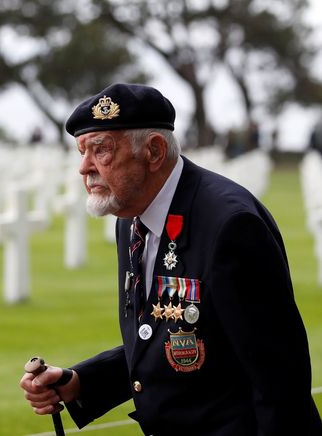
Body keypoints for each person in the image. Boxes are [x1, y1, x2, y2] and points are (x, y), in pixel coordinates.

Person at [19, 83, 321, 435]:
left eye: (101, 150)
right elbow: (169, 337)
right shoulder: (130, 216)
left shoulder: (230, 226)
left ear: (154, 151)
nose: (84, 168)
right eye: (82, 151)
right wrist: (82, 382)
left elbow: (279, 379)